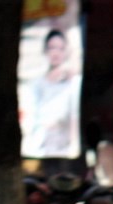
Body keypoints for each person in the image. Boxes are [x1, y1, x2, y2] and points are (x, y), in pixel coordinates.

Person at [24, 29, 82, 160]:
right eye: (52, 48)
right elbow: (31, 116)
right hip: (40, 145)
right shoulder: (36, 84)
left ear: (66, 52)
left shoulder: (73, 82)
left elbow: (74, 115)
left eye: (60, 48)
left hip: (64, 144)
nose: (56, 53)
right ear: (45, 51)